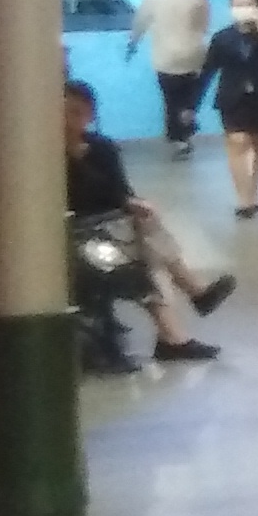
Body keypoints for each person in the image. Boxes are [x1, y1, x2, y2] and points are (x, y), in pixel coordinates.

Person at [63, 81, 227, 360]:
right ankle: (189, 297)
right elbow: (74, 198)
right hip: (80, 229)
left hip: (114, 224)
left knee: (145, 237)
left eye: (79, 113)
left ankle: (176, 330)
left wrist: (132, 203)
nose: (71, 120)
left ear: (90, 115)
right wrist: (76, 161)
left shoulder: (101, 148)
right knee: (143, 255)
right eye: (67, 112)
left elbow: (119, 191)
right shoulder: (48, 157)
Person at [199, 0, 258, 217]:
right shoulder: (222, 37)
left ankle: (254, 192)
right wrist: (192, 104)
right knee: (237, 141)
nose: (243, 10)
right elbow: (208, 69)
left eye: (248, 4)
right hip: (233, 96)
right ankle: (243, 199)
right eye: (238, 5)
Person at [126, 0, 214, 152]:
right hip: (193, 53)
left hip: (165, 56)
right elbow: (204, 26)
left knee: (171, 98)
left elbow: (140, 22)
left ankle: (178, 138)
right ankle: (187, 120)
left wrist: (133, 43)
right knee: (189, 95)